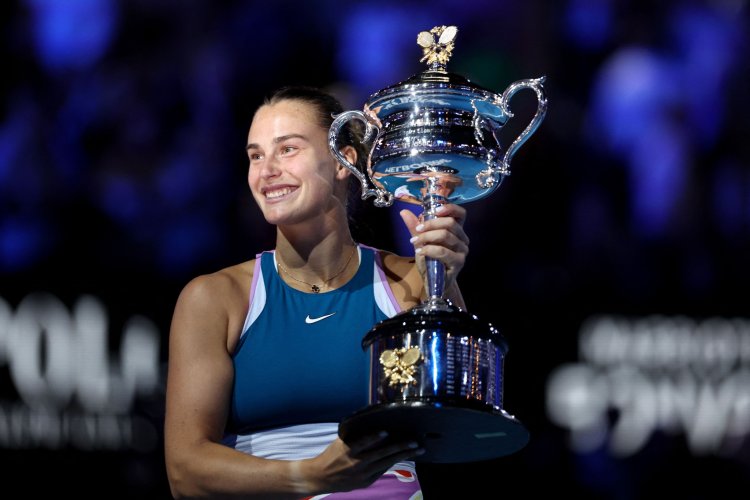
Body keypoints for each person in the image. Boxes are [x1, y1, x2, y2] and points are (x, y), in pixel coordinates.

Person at [164, 85, 470, 499]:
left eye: (287, 149)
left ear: (345, 160)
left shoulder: (408, 282)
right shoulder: (214, 299)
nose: (266, 169)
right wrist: (311, 477)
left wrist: (444, 280)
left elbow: (457, 417)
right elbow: (186, 470)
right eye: (255, 156)